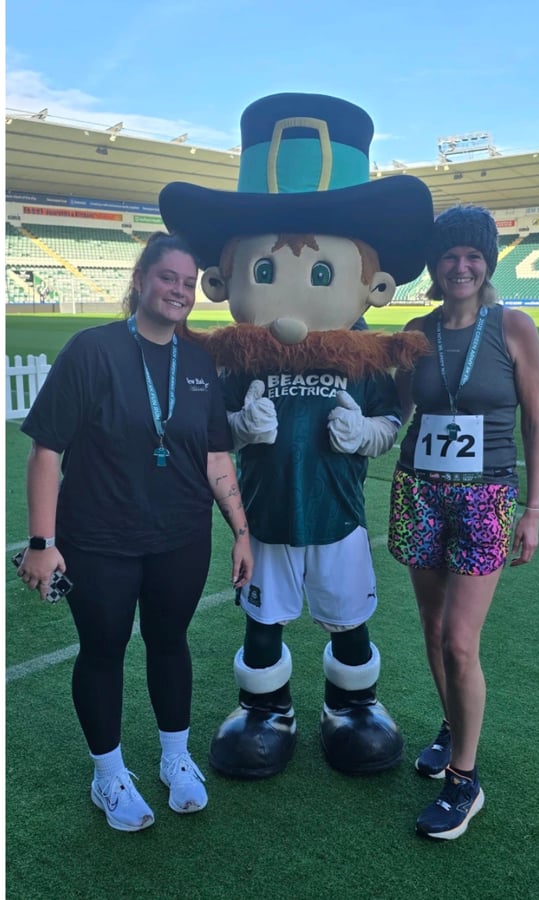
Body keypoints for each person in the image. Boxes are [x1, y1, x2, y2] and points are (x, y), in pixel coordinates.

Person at [159, 92, 433, 779]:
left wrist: (366, 432)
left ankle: (353, 704)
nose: (296, 291)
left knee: (349, 616)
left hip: (338, 515)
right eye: (266, 270)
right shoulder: (233, 359)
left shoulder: (366, 355)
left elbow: (395, 421)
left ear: (375, 286)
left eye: (321, 273)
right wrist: (237, 428)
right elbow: (206, 429)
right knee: (263, 619)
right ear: (225, 280)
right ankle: (266, 707)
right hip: (265, 518)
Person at [17, 232, 253, 832]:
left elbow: (216, 458)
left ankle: (176, 758)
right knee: (103, 651)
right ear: (142, 279)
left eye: (188, 282)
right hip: (97, 540)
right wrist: (42, 544)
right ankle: (109, 774)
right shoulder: (91, 350)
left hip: (180, 536)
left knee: (170, 642)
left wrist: (242, 532)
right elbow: (47, 452)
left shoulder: (198, 362)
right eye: (168, 277)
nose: (179, 290)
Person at [388, 206, 539, 840]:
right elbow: (396, 413)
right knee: (431, 630)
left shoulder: (514, 326)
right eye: (450, 255)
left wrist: (532, 510)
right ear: (436, 264)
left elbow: (535, 423)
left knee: (459, 639)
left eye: (473, 256)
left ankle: (464, 781)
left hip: (486, 498)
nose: (461, 265)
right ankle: (452, 725)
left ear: (488, 263)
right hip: (418, 491)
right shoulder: (415, 330)